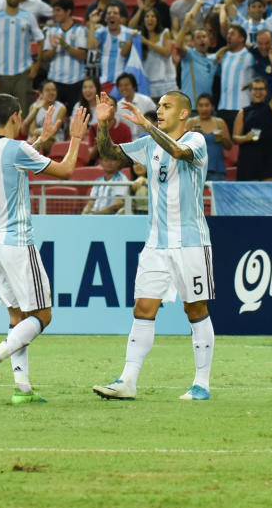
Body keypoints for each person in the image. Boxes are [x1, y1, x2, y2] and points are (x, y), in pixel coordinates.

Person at [91, 89, 215, 401]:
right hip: (156, 245)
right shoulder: (149, 143)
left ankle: (201, 383)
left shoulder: (196, 141)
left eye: (167, 106)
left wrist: (148, 127)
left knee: (195, 308)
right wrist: (103, 124)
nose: (159, 110)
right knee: (143, 308)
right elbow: (108, 152)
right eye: (158, 106)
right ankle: (127, 381)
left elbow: (178, 153)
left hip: (190, 244)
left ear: (184, 114)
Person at [0, 95, 89, 403]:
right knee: (43, 315)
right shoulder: (17, 149)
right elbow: (65, 171)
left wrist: (42, 139)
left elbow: (11, 161)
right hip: (17, 243)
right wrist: (74, 139)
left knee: (17, 316)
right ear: (14, 116)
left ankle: (22, 389)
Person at [0, 0, 44, 116]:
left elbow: (41, 40)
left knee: (22, 113)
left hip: (23, 73)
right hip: (0, 73)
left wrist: (37, 65)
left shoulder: (28, 17)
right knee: (1, 115)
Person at [232, 73, 272, 180]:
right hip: (249, 159)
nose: (258, 92)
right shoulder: (243, 112)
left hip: (269, 158)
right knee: (249, 196)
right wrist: (247, 137)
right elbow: (235, 137)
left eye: (261, 89)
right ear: (251, 91)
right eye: (255, 89)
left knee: (269, 194)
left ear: (266, 91)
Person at [41, 0, 87, 115]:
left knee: (76, 116)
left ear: (68, 11)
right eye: (54, 10)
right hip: (55, 81)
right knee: (53, 116)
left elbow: (82, 55)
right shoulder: (51, 31)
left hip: (76, 81)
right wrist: (54, 48)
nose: (55, 14)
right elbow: (45, 57)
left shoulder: (80, 30)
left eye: (58, 10)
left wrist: (65, 44)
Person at [87, 3, 135, 90]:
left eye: (115, 13)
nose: (111, 15)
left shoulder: (130, 34)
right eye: (109, 13)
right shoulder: (101, 32)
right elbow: (91, 46)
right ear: (105, 18)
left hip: (124, 84)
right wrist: (92, 23)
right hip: (104, 82)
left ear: (121, 18)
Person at [185, 93, 232, 181]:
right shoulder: (191, 122)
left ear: (212, 107)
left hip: (216, 169)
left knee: (215, 195)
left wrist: (223, 138)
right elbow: (181, 146)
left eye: (207, 105)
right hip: (195, 169)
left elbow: (229, 146)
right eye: (201, 105)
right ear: (197, 107)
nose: (204, 109)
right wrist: (191, 135)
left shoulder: (220, 123)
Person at [21, 81, 66, 154]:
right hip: (35, 137)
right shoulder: (34, 106)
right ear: (40, 93)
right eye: (48, 90)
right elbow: (31, 130)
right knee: (31, 143)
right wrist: (38, 135)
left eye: (54, 90)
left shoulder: (61, 108)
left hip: (53, 138)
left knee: (35, 144)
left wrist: (39, 135)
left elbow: (54, 130)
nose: (51, 92)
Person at [114, 73, 156, 138]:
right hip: (127, 142)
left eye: (126, 85)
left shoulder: (146, 101)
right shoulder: (118, 106)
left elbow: (156, 122)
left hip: (148, 138)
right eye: (120, 86)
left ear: (134, 86)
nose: (123, 88)